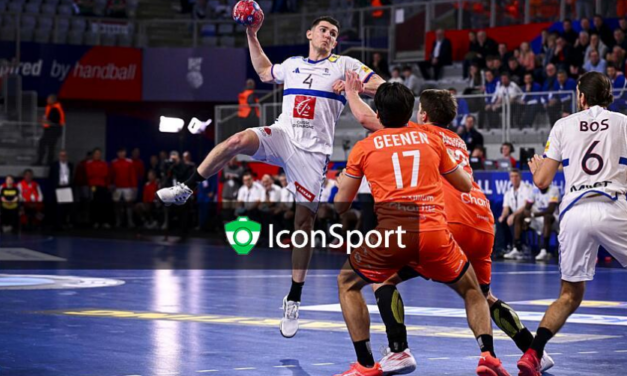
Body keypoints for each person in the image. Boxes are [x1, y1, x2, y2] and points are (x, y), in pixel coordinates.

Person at [157, 15, 384, 338]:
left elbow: (384, 87)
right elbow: (265, 71)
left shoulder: (345, 64)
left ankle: (294, 297)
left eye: (334, 34)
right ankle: (187, 187)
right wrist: (252, 33)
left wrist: (356, 86)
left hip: (313, 153)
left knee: (303, 224)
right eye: (323, 30)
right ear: (309, 34)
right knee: (235, 141)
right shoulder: (292, 64)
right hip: (282, 134)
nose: (328, 36)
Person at [334, 80, 509, 376]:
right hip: (435, 233)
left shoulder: (364, 147)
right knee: (473, 290)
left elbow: (341, 205)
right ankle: (488, 355)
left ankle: (367, 363)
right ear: (410, 112)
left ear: (379, 113)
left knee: (348, 283)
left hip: (394, 234)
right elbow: (464, 184)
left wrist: (342, 183)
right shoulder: (430, 140)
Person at [517, 72, 627, 376]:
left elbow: (541, 181)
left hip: (574, 211)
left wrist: (537, 170)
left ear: (581, 97)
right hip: (613, 205)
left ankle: (533, 354)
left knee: (569, 295)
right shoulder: (623, 122)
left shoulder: (563, 125)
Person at [525, 185, 561, 261]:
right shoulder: (534, 190)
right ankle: (518, 248)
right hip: (538, 218)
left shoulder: (554, 189)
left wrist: (533, 215)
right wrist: (527, 215)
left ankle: (544, 250)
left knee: (547, 217)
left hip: (554, 220)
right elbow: (527, 207)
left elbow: (550, 210)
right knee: (520, 217)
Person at [500, 169, 532, 256]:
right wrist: (502, 216)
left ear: (520, 177)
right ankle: (504, 247)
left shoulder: (527, 188)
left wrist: (513, 215)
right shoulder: (508, 192)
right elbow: (506, 208)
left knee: (517, 218)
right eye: (512, 176)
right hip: (515, 216)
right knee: (501, 221)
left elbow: (526, 206)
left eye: (516, 176)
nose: (514, 179)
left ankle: (517, 247)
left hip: (528, 216)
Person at [111, 147, 137, 228]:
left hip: (127, 186)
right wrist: (111, 184)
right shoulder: (114, 163)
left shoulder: (129, 162)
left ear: (125, 153)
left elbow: (132, 175)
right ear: (117, 153)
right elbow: (111, 175)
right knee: (117, 204)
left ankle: (130, 222)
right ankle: (118, 222)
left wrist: (134, 186)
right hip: (117, 187)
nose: (121, 154)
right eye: (120, 152)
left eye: (123, 152)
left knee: (129, 204)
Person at [36, 95, 66, 166]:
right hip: (50, 130)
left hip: (53, 131)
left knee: (45, 144)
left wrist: (43, 121)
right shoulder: (52, 108)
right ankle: (46, 161)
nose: (47, 100)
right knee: (50, 147)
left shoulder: (55, 109)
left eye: (48, 99)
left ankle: (43, 161)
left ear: (53, 100)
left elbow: (54, 121)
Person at [86, 148, 111, 229]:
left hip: (102, 186)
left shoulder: (104, 164)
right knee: (94, 203)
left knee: (103, 204)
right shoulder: (89, 163)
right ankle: (95, 221)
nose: (98, 155)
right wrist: (98, 174)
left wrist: (106, 185)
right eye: (96, 153)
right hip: (93, 186)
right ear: (93, 154)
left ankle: (103, 221)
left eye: (99, 153)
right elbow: (90, 174)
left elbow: (105, 174)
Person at [49, 149, 74, 229]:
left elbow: (71, 176)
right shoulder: (54, 165)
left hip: (67, 187)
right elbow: (51, 176)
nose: (63, 157)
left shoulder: (70, 165)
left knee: (66, 207)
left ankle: (65, 223)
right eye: (61, 155)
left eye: (64, 155)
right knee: (58, 207)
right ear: (59, 156)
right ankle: (57, 224)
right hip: (58, 187)